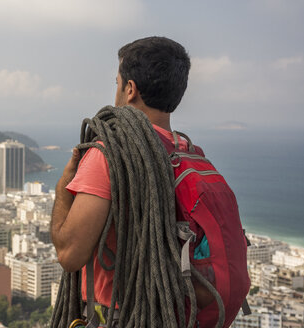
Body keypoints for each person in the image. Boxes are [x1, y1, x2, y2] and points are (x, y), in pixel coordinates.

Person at [50, 36, 194, 318]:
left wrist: (63, 189)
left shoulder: (109, 154)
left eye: (117, 83)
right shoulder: (186, 151)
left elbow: (69, 255)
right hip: (172, 315)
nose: (115, 91)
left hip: (121, 316)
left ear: (130, 89)